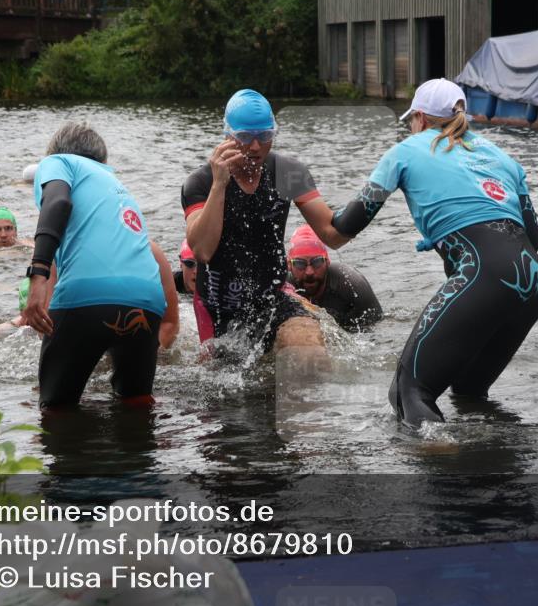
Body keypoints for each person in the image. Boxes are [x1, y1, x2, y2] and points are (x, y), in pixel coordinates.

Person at [312, 78, 538, 427]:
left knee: (408, 392)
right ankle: (497, 472)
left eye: (411, 121)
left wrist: (301, 194)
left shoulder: (406, 151)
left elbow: (345, 227)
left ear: (419, 118)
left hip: (485, 272)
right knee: (468, 392)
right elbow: (533, 237)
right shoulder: (503, 158)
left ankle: (440, 472)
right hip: (535, 281)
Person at [21, 121, 179, 409]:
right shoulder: (115, 185)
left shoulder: (58, 162)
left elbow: (57, 203)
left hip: (87, 296)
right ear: (103, 160)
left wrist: (38, 274)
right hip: (147, 300)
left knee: (55, 409)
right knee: (136, 403)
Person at [182, 89, 346, 355]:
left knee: (309, 351)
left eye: (265, 136)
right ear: (227, 136)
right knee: (219, 385)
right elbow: (202, 250)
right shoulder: (201, 182)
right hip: (218, 306)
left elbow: (332, 233)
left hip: (271, 298)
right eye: (245, 137)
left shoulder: (287, 173)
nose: (256, 146)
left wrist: (373, 197)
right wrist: (220, 185)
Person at [286, 224, 382, 332]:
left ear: (327, 261)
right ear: (289, 265)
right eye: (300, 264)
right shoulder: (282, 288)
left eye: (317, 262)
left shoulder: (350, 283)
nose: (309, 272)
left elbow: (377, 326)